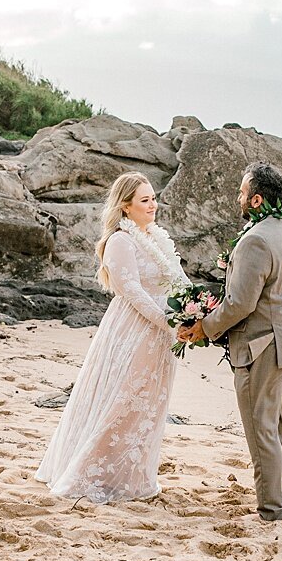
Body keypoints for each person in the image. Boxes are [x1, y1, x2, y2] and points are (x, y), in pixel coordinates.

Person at [36, 172, 187, 502]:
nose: (153, 205)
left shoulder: (158, 238)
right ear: (126, 207)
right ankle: (95, 474)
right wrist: (167, 320)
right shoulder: (121, 241)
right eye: (145, 200)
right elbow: (131, 290)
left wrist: (193, 311)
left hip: (161, 336)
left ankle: (131, 476)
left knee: (148, 405)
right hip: (133, 331)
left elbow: (179, 282)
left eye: (153, 198)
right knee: (122, 402)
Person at [178, 163, 282, 522]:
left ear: (256, 199)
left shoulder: (255, 239)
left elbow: (240, 303)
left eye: (242, 193)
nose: (238, 198)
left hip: (265, 347)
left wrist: (203, 327)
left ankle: (271, 510)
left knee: (262, 429)